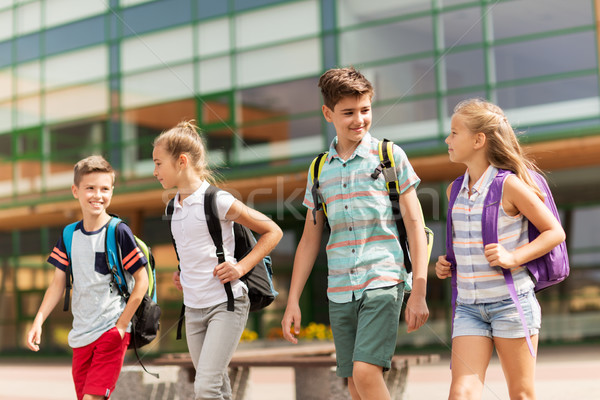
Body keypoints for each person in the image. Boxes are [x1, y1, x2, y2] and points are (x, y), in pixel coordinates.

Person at [281, 66, 430, 400]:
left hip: (382, 278)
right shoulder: (319, 169)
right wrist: (292, 300)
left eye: (365, 110)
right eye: (348, 113)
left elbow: (415, 226)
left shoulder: (389, 156)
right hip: (340, 289)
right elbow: (309, 239)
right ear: (328, 113)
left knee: (365, 372)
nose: (359, 120)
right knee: (353, 383)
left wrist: (418, 289)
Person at [435, 98, 566, 400]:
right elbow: (467, 241)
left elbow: (554, 231)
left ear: (478, 140)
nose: (447, 139)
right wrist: (449, 263)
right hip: (468, 306)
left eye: (454, 133)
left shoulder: (509, 186)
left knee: (520, 394)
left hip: (511, 304)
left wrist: (514, 257)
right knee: (461, 393)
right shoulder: (454, 188)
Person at [152, 121, 282, 400]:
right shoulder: (172, 206)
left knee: (206, 388)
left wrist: (241, 267)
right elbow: (195, 249)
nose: (155, 171)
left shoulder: (217, 200)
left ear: (181, 161)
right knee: (219, 388)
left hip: (226, 304)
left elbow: (272, 231)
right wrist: (181, 273)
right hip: (194, 309)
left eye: (159, 163)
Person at [26, 155, 149, 400]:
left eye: (104, 188)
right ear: (75, 191)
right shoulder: (69, 234)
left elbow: (142, 281)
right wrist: (38, 320)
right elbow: (57, 283)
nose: (97, 195)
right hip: (81, 336)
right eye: (90, 188)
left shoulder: (119, 231)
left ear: (112, 191)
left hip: (110, 332)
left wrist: (121, 327)